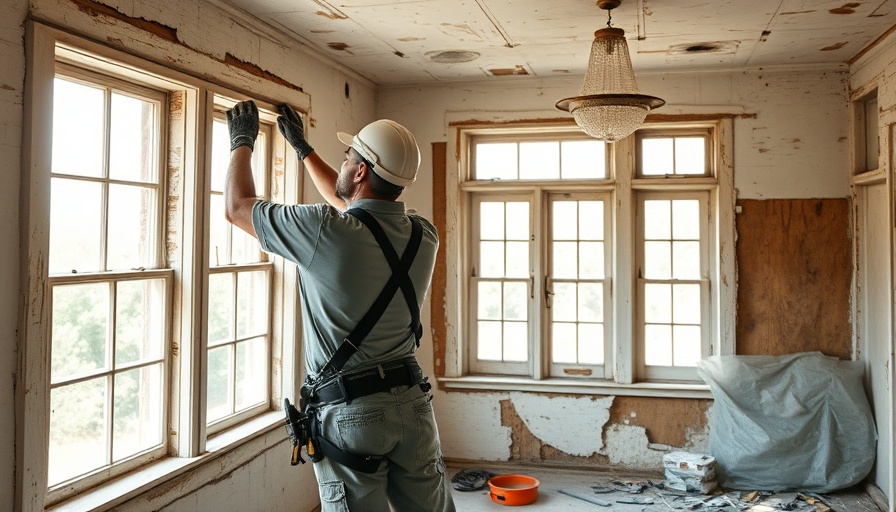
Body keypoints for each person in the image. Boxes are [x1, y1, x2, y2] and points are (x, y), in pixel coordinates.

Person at [224, 100, 456, 512]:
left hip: (351, 413)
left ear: (362, 170)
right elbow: (355, 207)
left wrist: (242, 142)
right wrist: (303, 149)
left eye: (348, 158)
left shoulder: (322, 229)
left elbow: (238, 208)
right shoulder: (424, 235)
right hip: (412, 406)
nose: (344, 163)